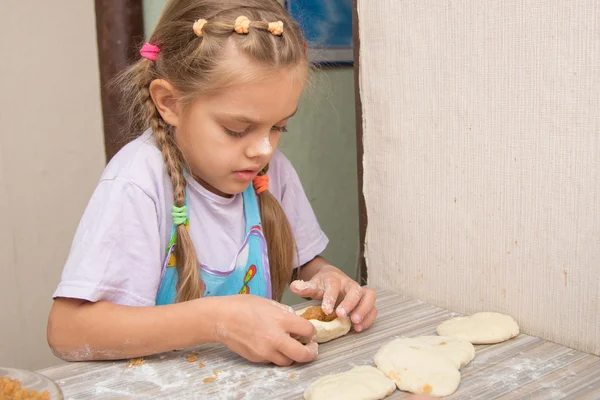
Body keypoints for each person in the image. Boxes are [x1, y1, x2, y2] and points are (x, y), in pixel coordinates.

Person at [47, 0, 377, 367]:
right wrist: (218, 322)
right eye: (237, 129)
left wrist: (329, 278)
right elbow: (69, 332)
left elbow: (307, 264)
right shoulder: (137, 183)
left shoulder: (270, 170)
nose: (263, 148)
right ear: (169, 102)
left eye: (279, 127)